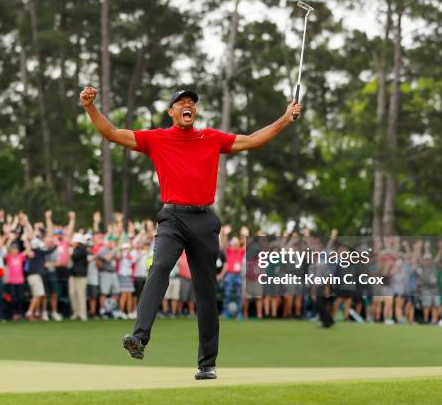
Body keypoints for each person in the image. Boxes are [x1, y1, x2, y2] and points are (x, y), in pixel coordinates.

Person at [80, 85, 302, 379]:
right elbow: (112, 133)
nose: (188, 106)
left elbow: (251, 141)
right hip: (172, 218)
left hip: (205, 220)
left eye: (192, 103)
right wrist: (90, 107)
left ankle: (207, 364)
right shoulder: (157, 138)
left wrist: (285, 118)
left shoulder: (210, 137)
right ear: (171, 111)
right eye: (181, 102)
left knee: (206, 291)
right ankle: (139, 337)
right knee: (159, 267)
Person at [69, 233, 90, 321]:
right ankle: (76, 312)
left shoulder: (82, 249)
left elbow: (74, 256)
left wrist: (71, 250)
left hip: (81, 276)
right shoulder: (76, 249)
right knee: (72, 294)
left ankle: (82, 313)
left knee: (81, 295)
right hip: (73, 275)